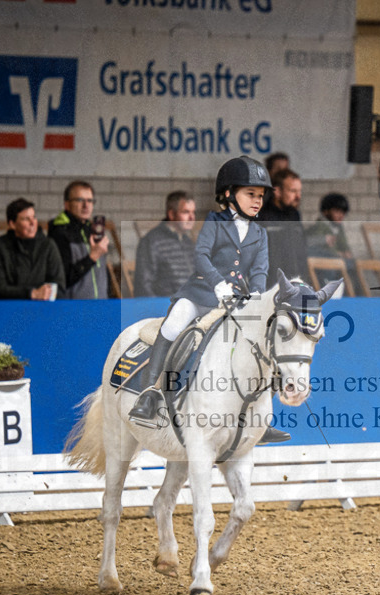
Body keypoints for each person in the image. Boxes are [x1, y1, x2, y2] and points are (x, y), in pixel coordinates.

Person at [128, 155, 288, 444]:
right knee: (174, 324)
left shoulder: (260, 233)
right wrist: (218, 285)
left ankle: (260, 417)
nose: (257, 201)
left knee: (264, 340)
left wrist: (256, 295)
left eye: (261, 196)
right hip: (201, 293)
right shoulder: (214, 222)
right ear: (228, 194)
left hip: (238, 300)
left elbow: (260, 270)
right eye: (250, 194)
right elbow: (200, 256)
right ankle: (150, 393)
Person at [0, 198, 66, 300]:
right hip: (7, 309)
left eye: (34, 217)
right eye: (26, 219)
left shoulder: (48, 245)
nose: (32, 223)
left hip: (41, 308)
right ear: (12, 224)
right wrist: (31, 294)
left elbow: (59, 285)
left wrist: (46, 294)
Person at [48, 180, 110, 299]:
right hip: (74, 309)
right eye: (80, 200)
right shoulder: (59, 233)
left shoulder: (92, 230)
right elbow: (63, 279)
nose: (86, 205)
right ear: (67, 204)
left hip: (100, 305)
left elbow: (101, 273)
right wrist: (92, 257)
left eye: (90, 201)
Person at [134, 191, 197, 298]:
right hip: (165, 310)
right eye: (186, 212)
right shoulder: (151, 242)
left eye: (193, 212)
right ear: (172, 214)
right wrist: (159, 309)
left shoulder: (188, 242)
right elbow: (143, 286)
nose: (192, 218)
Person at [257, 168, 307, 286]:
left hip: (295, 281)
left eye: (299, 191)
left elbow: (301, 251)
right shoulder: (262, 217)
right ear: (277, 191)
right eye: (293, 191)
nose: (298, 196)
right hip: (269, 285)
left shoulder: (294, 214)